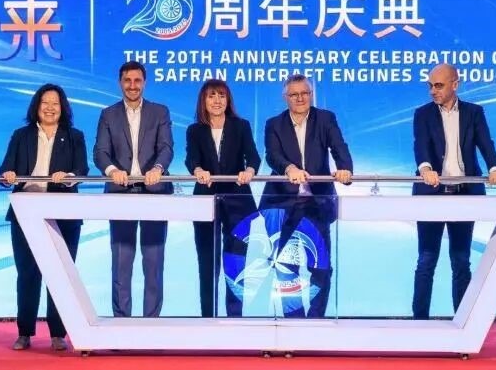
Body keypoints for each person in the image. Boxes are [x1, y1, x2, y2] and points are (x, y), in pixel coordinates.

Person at [411, 63, 496, 319]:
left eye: (438, 85)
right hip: (431, 195)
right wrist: (426, 169)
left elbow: (486, 143)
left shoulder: (474, 112)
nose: (433, 91)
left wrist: (495, 167)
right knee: (426, 260)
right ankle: (419, 323)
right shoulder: (422, 114)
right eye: (430, 86)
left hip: (465, 194)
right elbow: (420, 146)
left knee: (461, 260)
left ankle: (462, 321)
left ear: (455, 84)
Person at [0, 83, 87, 352]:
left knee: (61, 275)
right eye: (45, 103)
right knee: (27, 273)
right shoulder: (21, 135)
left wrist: (69, 177)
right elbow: (5, 169)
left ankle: (58, 333)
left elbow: (81, 170)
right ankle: (24, 332)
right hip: (26, 212)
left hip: (63, 213)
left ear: (63, 108)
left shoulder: (74, 136)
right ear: (37, 106)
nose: (50, 108)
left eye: (55, 103)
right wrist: (8, 176)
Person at [260, 74, 352, 318]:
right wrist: (289, 168)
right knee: (285, 267)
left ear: (311, 94)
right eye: (294, 94)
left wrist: (345, 168)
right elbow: (272, 155)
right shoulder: (274, 124)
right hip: (282, 204)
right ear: (285, 97)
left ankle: (315, 320)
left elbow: (339, 146)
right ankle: (294, 321)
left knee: (321, 267)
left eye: (305, 93)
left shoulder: (325, 118)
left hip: (316, 203)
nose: (300, 98)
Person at [92, 60, 174, 317]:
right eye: (127, 80)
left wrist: (158, 168)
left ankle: (151, 324)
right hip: (121, 193)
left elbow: (166, 148)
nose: (132, 85)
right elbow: (100, 152)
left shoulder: (160, 112)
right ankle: (121, 323)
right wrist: (112, 171)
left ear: (144, 83)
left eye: (137, 80)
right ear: (120, 83)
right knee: (121, 262)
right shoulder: (108, 114)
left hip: (154, 192)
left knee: (154, 263)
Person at [185, 79, 261, 317]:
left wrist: (249, 172)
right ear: (203, 101)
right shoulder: (195, 130)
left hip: (238, 201)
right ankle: (208, 318)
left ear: (228, 100)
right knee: (207, 264)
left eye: (221, 96)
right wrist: (198, 170)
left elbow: (254, 157)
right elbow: (191, 159)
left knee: (236, 264)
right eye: (211, 96)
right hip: (205, 201)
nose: (217, 101)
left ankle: (234, 319)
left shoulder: (241, 126)